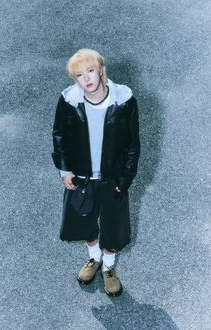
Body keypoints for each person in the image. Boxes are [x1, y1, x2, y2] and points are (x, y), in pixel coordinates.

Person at [52, 49, 140, 297]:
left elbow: (133, 145)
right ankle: (94, 258)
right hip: (81, 176)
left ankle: (109, 268)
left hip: (112, 177)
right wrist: (65, 170)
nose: (86, 78)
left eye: (90, 71)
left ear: (100, 70)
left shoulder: (123, 100)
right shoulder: (69, 101)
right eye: (79, 75)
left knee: (114, 226)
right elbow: (59, 137)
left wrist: (125, 179)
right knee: (83, 221)